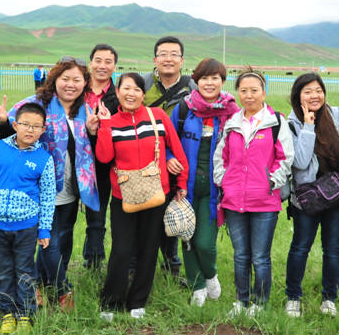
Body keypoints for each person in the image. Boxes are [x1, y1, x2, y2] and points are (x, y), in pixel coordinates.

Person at [0, 57, 99, 312]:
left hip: (73, 185)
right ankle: (62, 288)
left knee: (65, 235)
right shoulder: (36, 104)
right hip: (40, 185)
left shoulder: (85, 109)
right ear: (54, 79)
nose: (70, 84)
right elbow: (10, 134)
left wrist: (94, 131)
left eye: (77, 80)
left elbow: (90, 147)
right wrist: (2, 121)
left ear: (85, 83)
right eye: (65, 78)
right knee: (49, 239)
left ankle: (38, 282)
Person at [95, 73, 189, 320]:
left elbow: (177, 150)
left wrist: (181, 183)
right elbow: (104, 157)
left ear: (143, 94)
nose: (131, 94)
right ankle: (111, 302)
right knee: (121, 250)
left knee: (149, 248)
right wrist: (104, 125)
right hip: (123, 196)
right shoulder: (112, 122)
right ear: (118, 92)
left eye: (137, 89)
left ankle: (138, 301)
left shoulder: (157, 116)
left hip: (157, 193)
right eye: (126, 88)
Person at [0, 103, 56, 335]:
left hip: (26, 227)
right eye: (25, 124)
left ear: (43, 129)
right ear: (15, 125)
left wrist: (44, 229)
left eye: (36, 126)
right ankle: (7, 312)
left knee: (25, 270)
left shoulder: (44, 159)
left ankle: (25, 314)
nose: (30, 130)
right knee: (3, 269)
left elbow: (47, 197)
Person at [213, 67, 293, 317]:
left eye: (254, 90)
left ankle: (259, 304)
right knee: (240, 256)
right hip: (234, 200)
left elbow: (285, 158)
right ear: (238, 93)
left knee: (260, 257)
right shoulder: (232, 123)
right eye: (244, 90)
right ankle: (241, 301)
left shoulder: (276, 122)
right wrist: (224, 182)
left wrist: (270, 183)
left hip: (264, 201)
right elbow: (221, 157)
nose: (249, 95)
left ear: (263, 92)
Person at [167, 58, 239, 307]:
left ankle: (210, 275)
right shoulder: (184, 109)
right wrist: (169, 159)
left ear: (222, 81)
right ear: (196, 81)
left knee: (204, 243)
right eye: (204, 78)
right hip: (184, 186)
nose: (209, 83)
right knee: (187, 238)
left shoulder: (232, 113)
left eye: (215, 78)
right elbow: (167, 142)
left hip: (214, 189)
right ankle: (197, 286)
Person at [284, 73, 339, 318]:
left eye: (318, 90)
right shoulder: (291, 123)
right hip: (307, 198)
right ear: (298, 95)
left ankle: (329, 298)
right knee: (300, 247)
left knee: (333, 249)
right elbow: (301, 162)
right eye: (308, 91)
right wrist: (308, 126)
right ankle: (293, 297)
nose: (315, 96)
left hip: (336, 195)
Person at [142, 36, 196, 281]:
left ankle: (172, 266)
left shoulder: (193, 88)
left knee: (172, 210)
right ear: (155, 59)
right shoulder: (143, 84)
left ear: (182, 60)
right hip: (143, 160)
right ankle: (138, 266)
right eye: (163, 54)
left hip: (177, 160)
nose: (168, 59)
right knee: (143, 215)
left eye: (174, 54)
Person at [82, 44, 120, 269]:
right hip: (75, 160)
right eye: (98, 60)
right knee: (66, 216)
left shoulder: (120, 96)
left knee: (98, 216)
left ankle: (94, 261)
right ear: (90, 63)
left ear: (114, 66)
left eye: (108, 61)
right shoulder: (77, 90)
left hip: (106, 165)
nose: (102, 66)